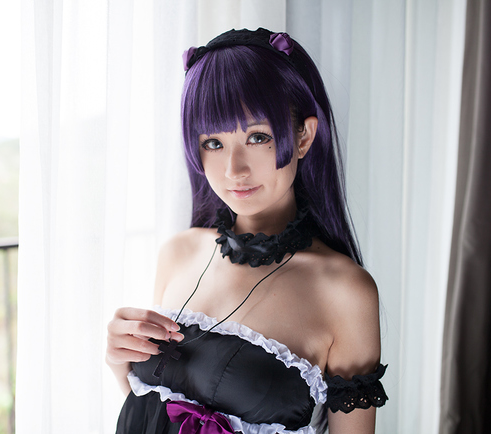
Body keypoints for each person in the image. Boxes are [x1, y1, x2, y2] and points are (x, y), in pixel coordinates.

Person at [107, 28, 388, 434]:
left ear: (304, 136)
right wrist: (120, 362)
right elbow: (156, 412)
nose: (234, 170)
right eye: (213, 143)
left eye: (257, 137)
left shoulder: (345, 291)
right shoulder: (178, 253)